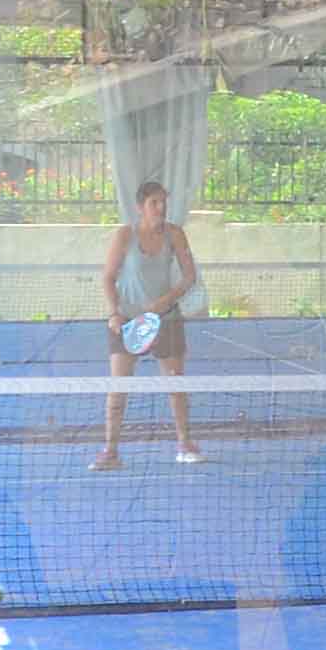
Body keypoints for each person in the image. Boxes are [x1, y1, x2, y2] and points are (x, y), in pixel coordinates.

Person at [94, 178, 200, 469]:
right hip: (128, 322)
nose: (160, 207)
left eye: (163, 201)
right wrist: (114, 312)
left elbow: (189, 276)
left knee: (176, 385)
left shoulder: (175, 234)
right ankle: (111, 451)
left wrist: (164, 302)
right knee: (118, 389)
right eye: (154, 202)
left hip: (167, 320)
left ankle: (185, 443)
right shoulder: (125, 236)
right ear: (141, 207)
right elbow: (108, 277)